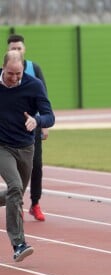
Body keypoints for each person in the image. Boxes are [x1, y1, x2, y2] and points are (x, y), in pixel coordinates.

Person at [0, 50, 55, 261]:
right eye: (10, 73)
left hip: (25, 146)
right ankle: (19, 244)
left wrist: (37, 121)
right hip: (2, 146)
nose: (14, 78)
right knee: (14, 187)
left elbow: (50, 116)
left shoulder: (33, 85)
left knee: (15, 194)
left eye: (18, 74)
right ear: (3, 68)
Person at [7, 34, 48, 221]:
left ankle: (35, 203)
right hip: (7, 129)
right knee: (14, 176)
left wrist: (42, 124)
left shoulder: (34, 69)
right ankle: (17, 205)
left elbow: (44, 100)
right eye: (13, 48)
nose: (16, 51)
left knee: (36, 165)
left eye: (19, 48)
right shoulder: (4, 72)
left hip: (32, 127)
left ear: (24, 50)